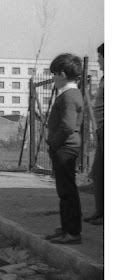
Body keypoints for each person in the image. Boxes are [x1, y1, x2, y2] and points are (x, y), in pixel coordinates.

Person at [44, 54, 84, 244]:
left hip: (65, 148)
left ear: (61, 73)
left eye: (54, 74)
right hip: (66, 146)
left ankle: (72, 233)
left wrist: (54, 142)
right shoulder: (72, 94)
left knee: (67, 191)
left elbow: (68, 126)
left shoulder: (68, 96)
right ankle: (67, 228)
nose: (53, 78)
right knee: (65, 190)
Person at [85, 43, 104, 225]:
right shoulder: (105, 78)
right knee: (98, 172)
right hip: (101, 130)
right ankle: (100, 211)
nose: (98, 61)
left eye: (100, 57)